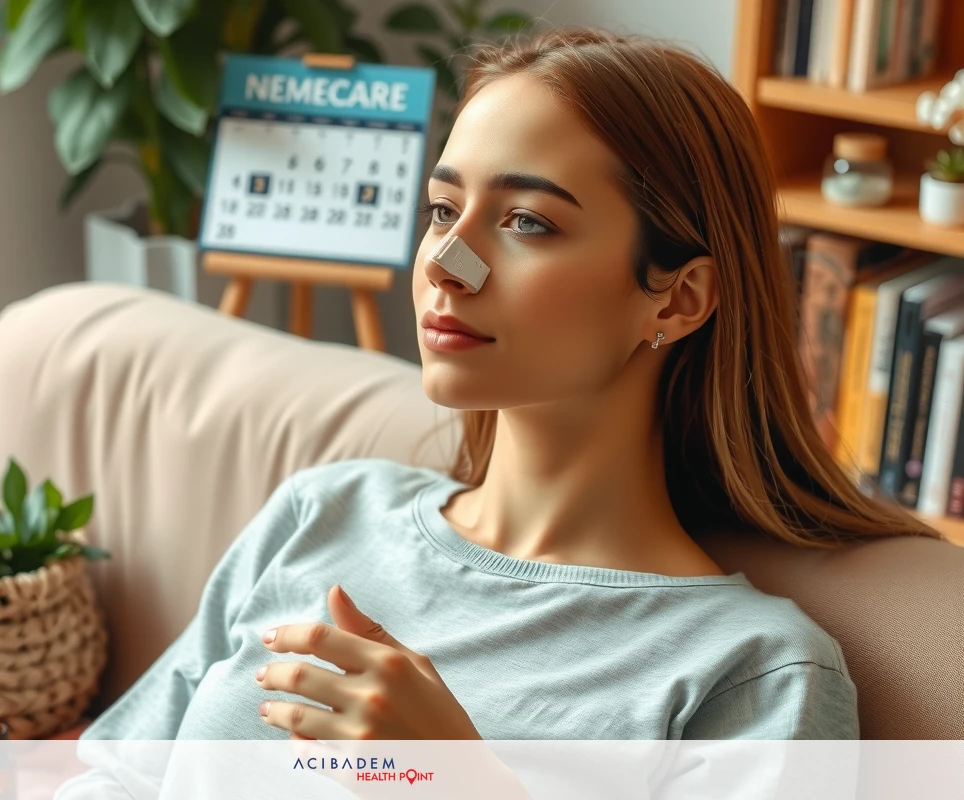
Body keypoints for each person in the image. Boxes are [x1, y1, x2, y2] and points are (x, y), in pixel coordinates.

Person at [71, 26, 942, 765]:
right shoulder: (322, 513)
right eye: (443, 211)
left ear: (676, 299)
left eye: (527, 222)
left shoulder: (749, 676)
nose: (448, 263)